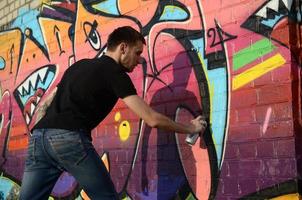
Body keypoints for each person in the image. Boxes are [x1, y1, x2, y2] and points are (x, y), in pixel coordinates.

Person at [19, 26, 207, 200]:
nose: (139, 60)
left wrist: (41, 135)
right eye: (137, 53)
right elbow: (152, 119)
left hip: (39, 138)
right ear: (123, 48)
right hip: (69, 138)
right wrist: (190, 126)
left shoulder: (79, 66)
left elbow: (46, 104)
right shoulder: (115, 73)